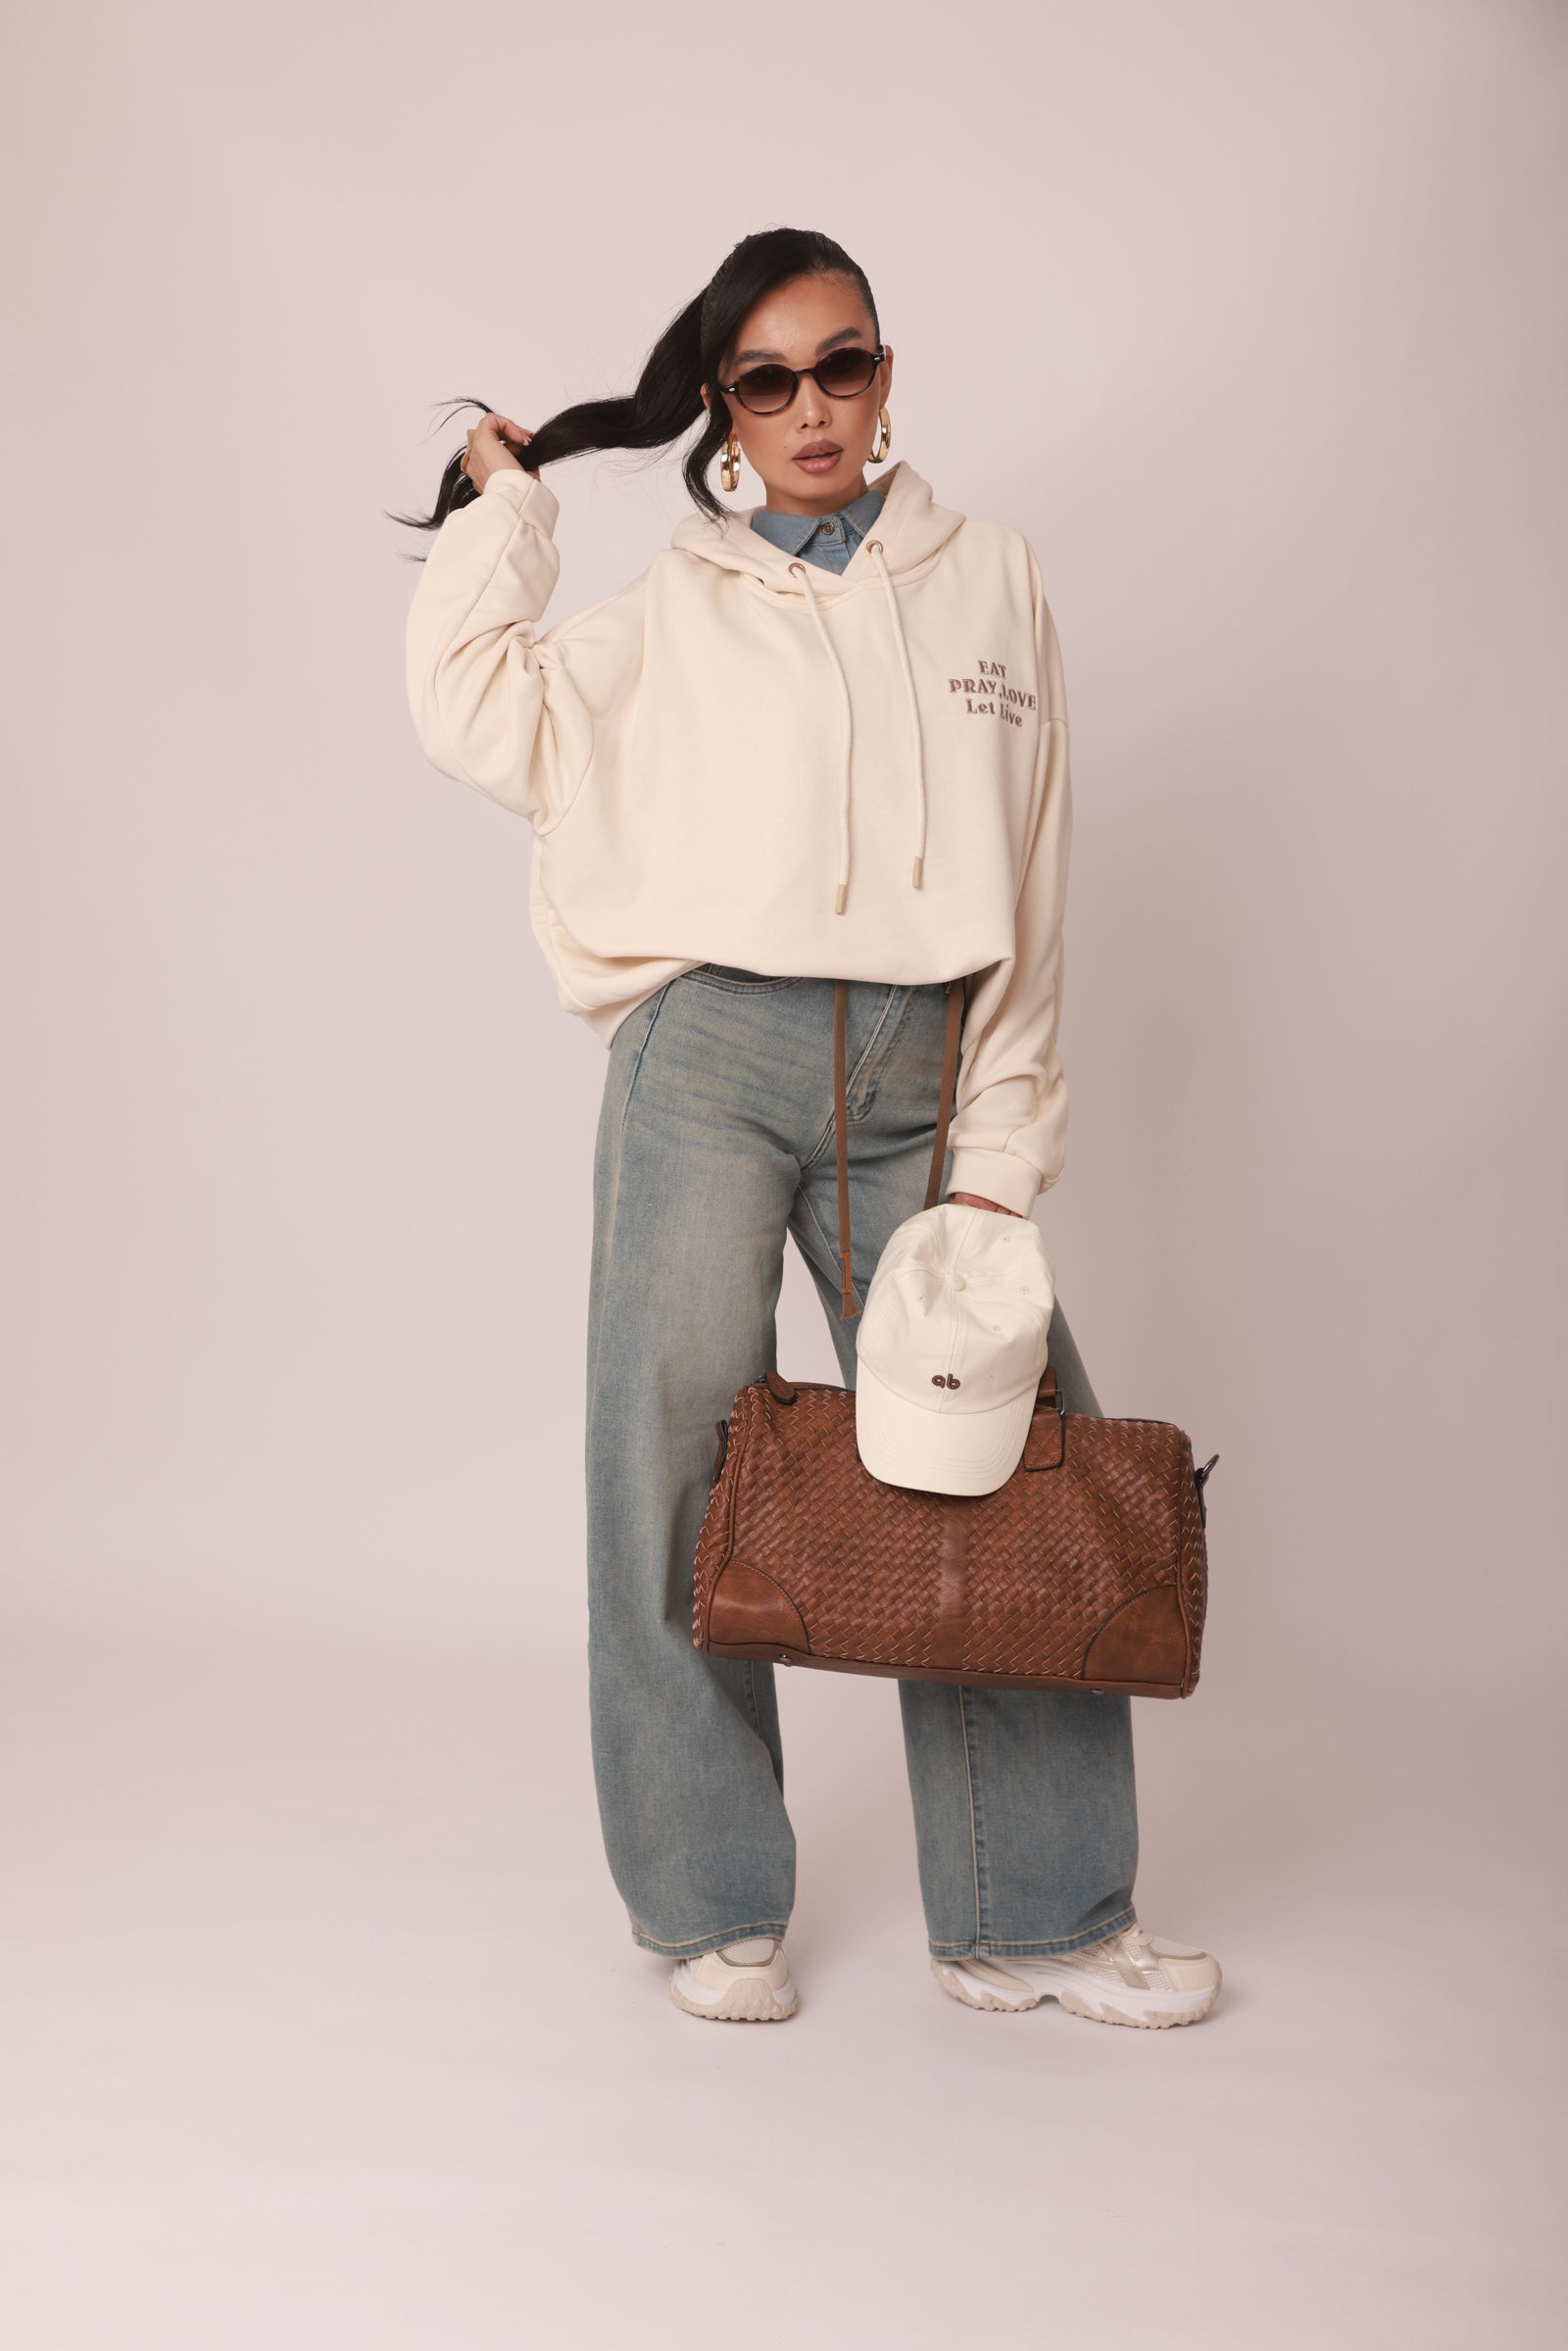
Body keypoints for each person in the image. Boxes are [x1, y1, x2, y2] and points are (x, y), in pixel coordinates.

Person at [399, 226, 1220, 2030]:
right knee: (670, 1468)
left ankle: (1035, 1916)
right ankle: (708, 1899)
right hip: (707, 1057)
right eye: (767, 382)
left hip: (926, 1073)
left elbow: (1035, 882)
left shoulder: (990, 579)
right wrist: (507, 507)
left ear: (886, 374)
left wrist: (1002, 1153)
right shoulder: (670, 613)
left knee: (1000, 1460)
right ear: (724, 410)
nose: (812, 409)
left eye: (841, 364)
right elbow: (472, 709)